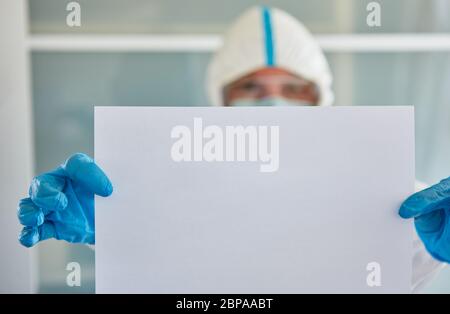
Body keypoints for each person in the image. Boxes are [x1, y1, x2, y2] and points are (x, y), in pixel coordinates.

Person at [16, 6, 449, 291]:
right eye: (250, 87)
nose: (273, 101)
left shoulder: (389, 192)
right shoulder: (167, 190)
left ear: (322, 98)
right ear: (219, 98)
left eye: (295, 88)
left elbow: (393, 267)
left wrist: (433, 245)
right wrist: (112, 230)